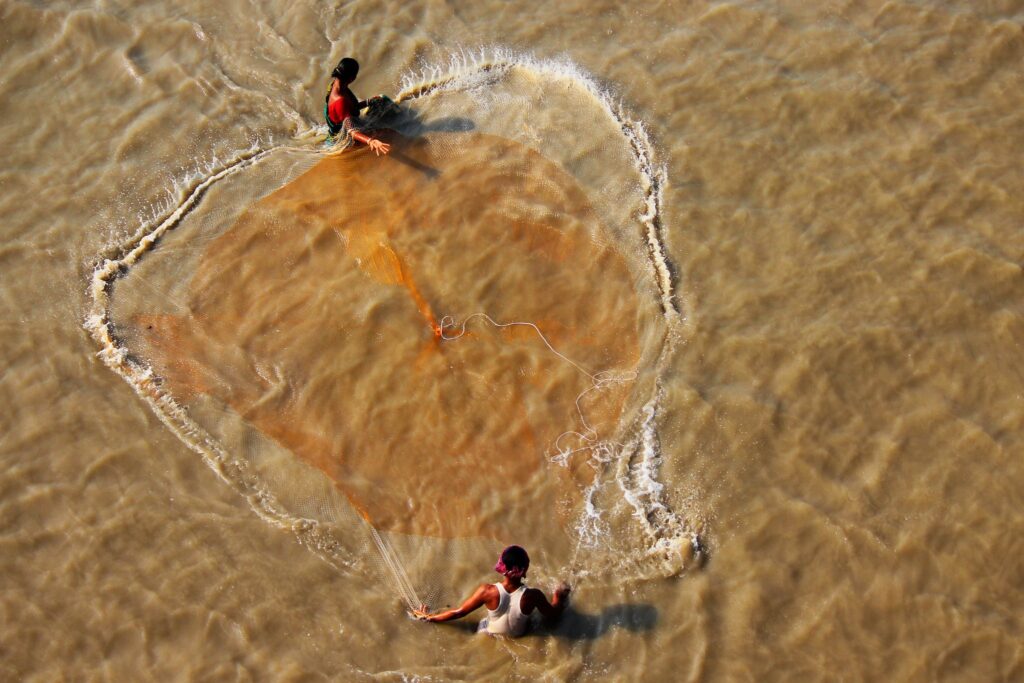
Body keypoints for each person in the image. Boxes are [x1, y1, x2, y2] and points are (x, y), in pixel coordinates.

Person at [412, 545, 571, 637]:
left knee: (452, 611)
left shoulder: (487, 591)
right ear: (525, 569)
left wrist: (429, 618)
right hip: (520, 636)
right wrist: (559, 595)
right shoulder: (533, 596)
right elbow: (552, 613)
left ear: (502, 567)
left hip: (488, 634)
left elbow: (459, 613)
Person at [325, 57, 391, 156]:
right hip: (339, 142)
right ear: (352, 78)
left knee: (381, 100)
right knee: (389, 132)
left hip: (338, 128)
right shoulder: (340, 101)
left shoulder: (335, 85)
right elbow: (352, 131)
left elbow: (351, 107)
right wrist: (371, 141)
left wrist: (369, 101)